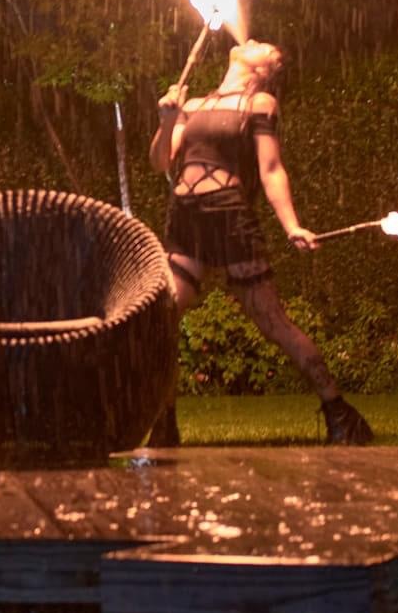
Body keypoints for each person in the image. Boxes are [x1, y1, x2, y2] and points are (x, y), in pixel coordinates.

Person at [147, 39, 373, 446]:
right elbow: (161, 162)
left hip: (229, 215)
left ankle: (340, 412)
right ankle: (164, 421)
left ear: (265, 70)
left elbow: (271, 170)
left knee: (271, 321)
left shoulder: (259, 104)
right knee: (161, 318)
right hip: (184, 218)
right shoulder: (192, 104)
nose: (250, 40)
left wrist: (292, 226)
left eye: (263, 47)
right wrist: (166, 122)